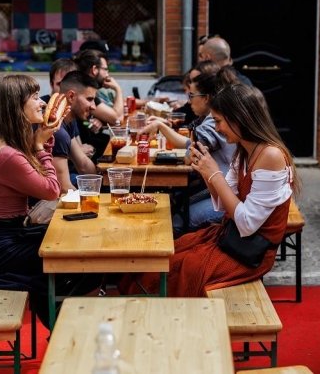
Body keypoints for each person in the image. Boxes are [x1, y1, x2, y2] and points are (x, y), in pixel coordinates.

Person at [120, 83, 301, 297]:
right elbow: (225, 204)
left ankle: (171, 320)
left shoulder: (271, 156)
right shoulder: (244, 149)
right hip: (230, 237)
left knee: (178, 269)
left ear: (239, 118)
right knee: (166, 255)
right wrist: (206, 173)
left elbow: (247, 223)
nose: (216, 128)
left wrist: (214, 173)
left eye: (218, 121)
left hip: (249, 254)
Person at [0, 74, 96, 329]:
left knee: (81, 251)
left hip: (13, 236)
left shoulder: (9, 145)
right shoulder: (6, 155)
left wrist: (42, 142)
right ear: (16, 106)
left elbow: (41, 178)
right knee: (85, 260)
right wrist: (40, 146)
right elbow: (51, 190)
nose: (42, 103)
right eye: (35, 97)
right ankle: (66, 326)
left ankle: (62, 322)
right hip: (3, 251)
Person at [140, 61, 240, 234]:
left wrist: (162, 128)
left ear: (207, 97)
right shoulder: (214, 118)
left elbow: (189, 155)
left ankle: (176, 257)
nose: (188, 100)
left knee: (179, 219)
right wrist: (162, 126)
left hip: (230, 193)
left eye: (191, 95)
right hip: (223, 189)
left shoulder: (213, 121)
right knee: (176, 204)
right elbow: (190, 145)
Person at [50, 70, 100, 190]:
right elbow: (63, 188)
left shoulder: (67, 121)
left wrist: (102, 184)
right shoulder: (56, 130)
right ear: (71, 96)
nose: (94, 106)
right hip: (38, 204)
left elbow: (82, 163)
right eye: (89, 99)